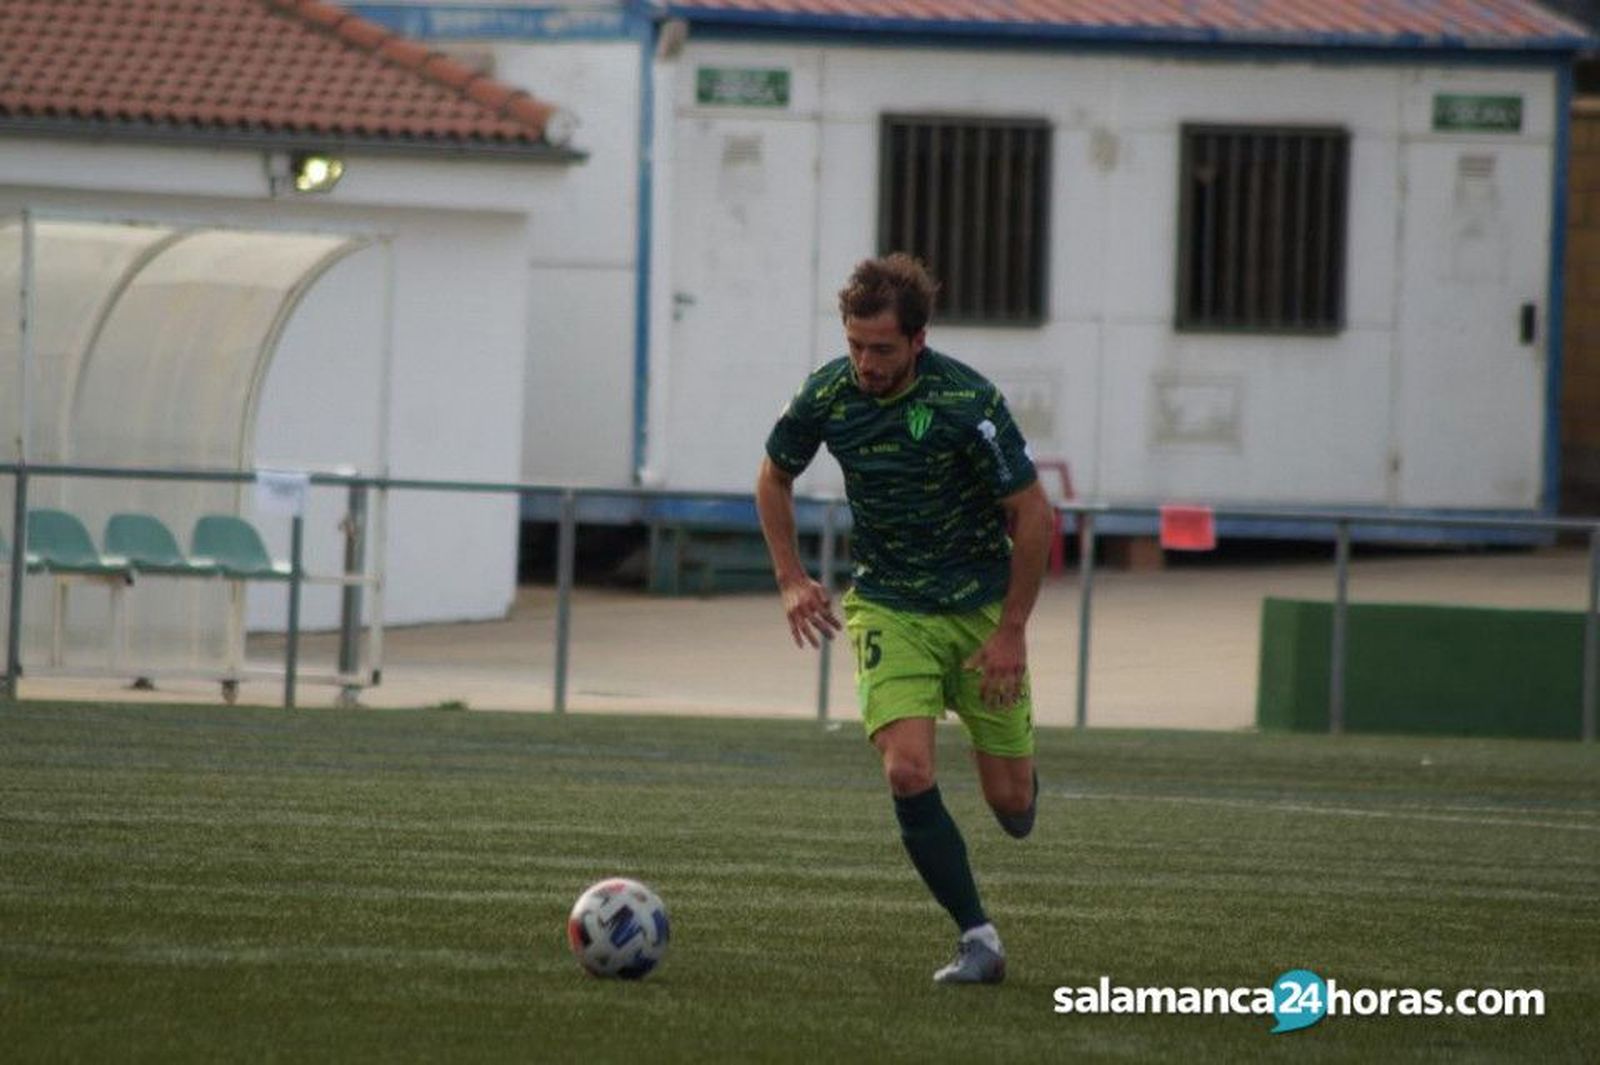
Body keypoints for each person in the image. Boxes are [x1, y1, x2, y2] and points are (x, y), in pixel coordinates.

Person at [755, 253, 1054, 984]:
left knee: (1012, 805)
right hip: (889, 605)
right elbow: (773, 475)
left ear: (918, 340)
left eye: (883, 348)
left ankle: (1015, 772)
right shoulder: (829, 393)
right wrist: (791, 577)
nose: (866, 363)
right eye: (855, 344)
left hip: (981, 614)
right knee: (907, 769)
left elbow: (1033, 514)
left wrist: (1012, 629)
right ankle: (978, 937)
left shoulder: (968, 401)